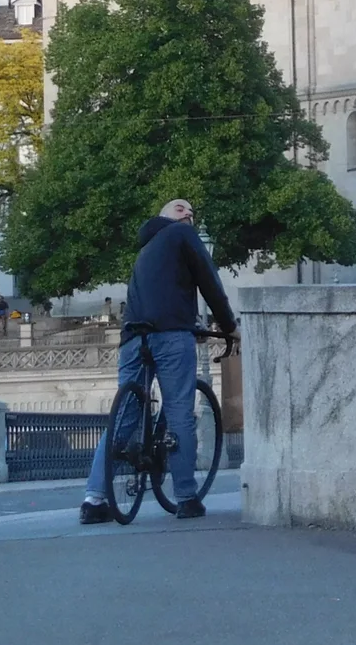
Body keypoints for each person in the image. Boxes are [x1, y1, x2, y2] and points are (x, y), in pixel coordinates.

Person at [79, 199, 237, 524]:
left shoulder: (145, 249)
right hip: (171, 335)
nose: (188, 214)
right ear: (164, 217)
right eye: (181, 208)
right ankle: (186, 497)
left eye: (192, 211)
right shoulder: (182, 235)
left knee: (123, 415)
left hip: (133, 337)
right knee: (180, 411)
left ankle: (94, 500)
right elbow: (209, 281)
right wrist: (229, 325)